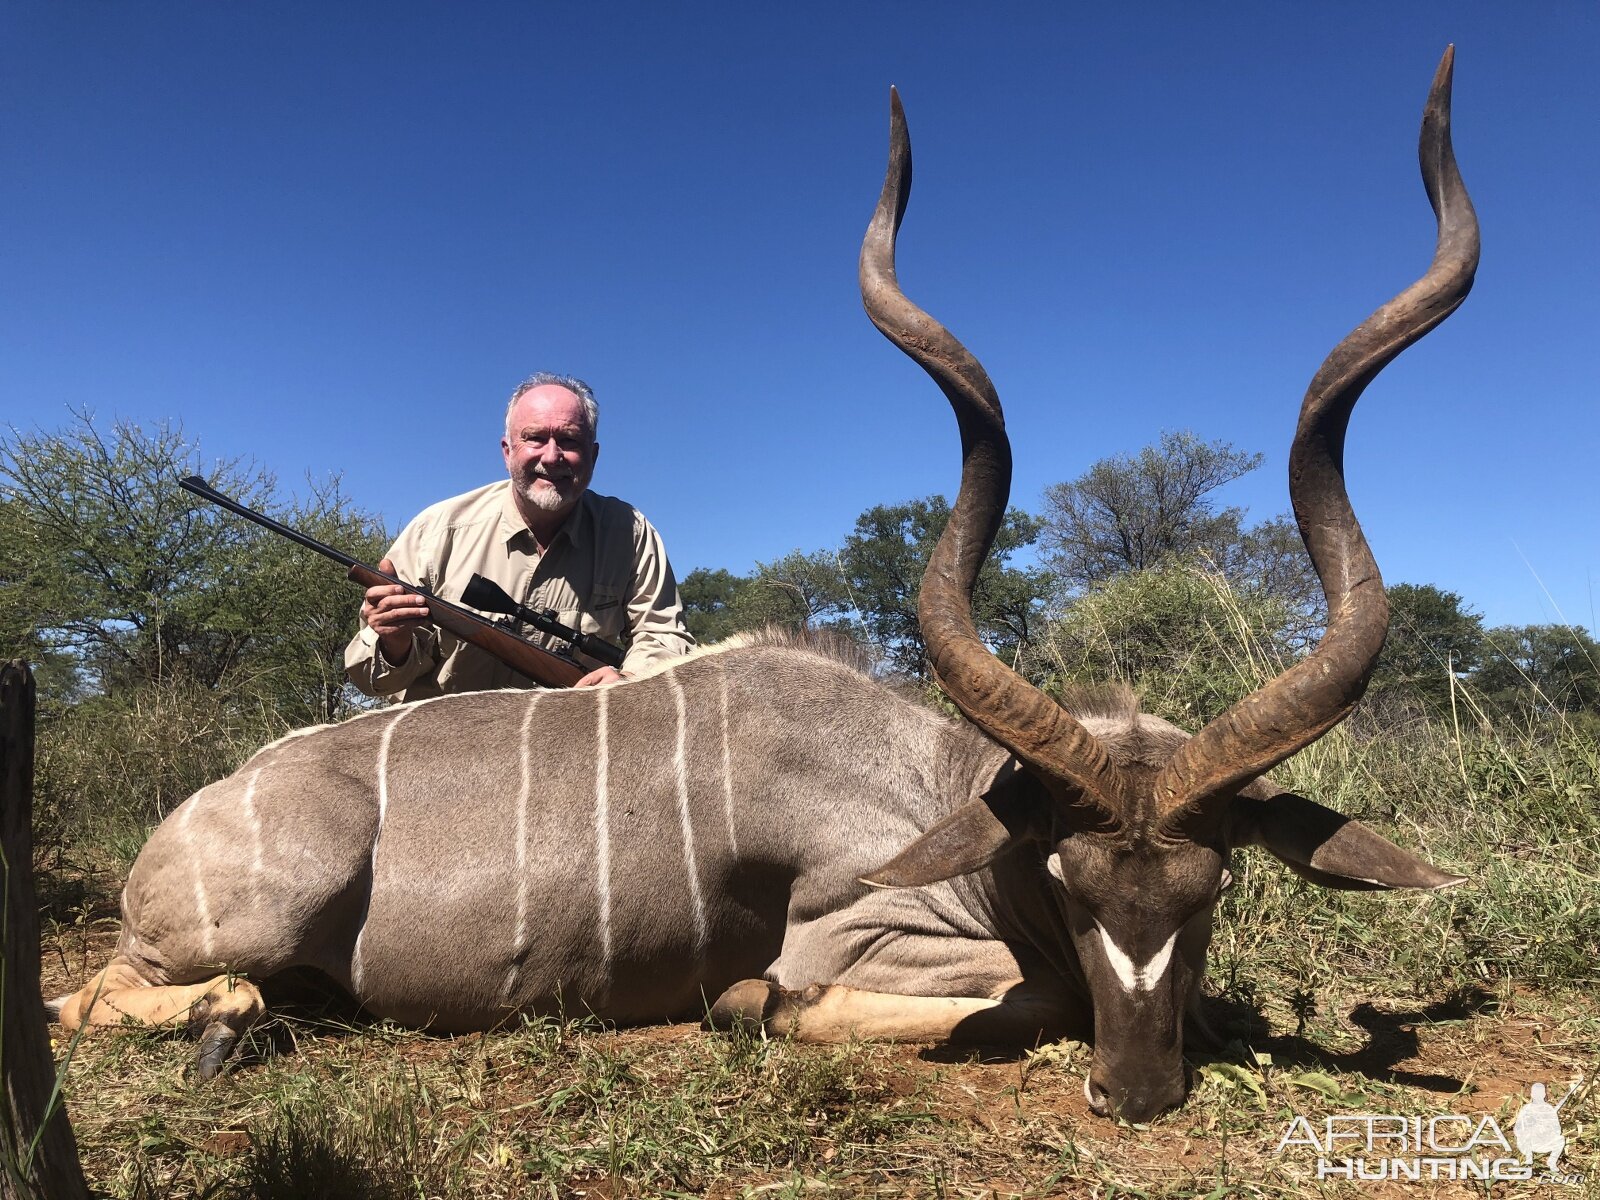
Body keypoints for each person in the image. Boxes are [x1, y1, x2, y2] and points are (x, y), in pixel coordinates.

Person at [344, 373, 694, 700]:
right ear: (507, 451)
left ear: (594, 455)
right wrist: (394, 643)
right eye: (536, 438)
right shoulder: (436, 531)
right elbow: (371, 681)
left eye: (569, 440)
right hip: (444, 753)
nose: (552, 456)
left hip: (572, 746)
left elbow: (663, 634)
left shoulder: (629, 533)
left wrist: (630, 680)